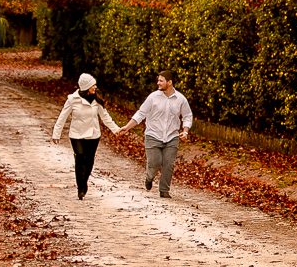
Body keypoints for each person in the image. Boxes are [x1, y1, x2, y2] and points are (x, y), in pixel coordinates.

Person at [119, 69, 194, 198]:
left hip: (172, 136)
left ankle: (164, 190)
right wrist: (127, 127)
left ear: (169, 82)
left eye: (161, 81)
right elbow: (141, 113)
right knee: (154, 162)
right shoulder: (153, 97)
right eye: (158, 80)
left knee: (169, 164)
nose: (158, 83)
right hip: (153, 135)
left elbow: (187, 116)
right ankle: (149, 177)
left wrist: (185, 131)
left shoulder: (180, 99)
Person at [52, 73, 122, 200]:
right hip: (77, 135)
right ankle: (81, 187)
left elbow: (105, 116)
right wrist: (56, 133)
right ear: (86, 87)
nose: (95, 87)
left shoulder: (97, 100)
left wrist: (116, 130)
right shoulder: (72, 99)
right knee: (80, 158)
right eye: (92, 85)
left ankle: (84, 181)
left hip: (93, 135)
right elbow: (62, 116)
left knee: (89, 161)